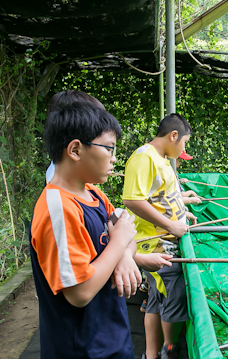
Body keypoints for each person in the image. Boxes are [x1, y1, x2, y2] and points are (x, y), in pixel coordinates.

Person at [30, 102, 139, 357]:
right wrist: (119, 243)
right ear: (76, 150)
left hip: (113, 338)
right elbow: (80, 292)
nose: (114, 158)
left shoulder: (94, 193)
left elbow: (127, 230)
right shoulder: (57, 209)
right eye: (109, 149)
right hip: (81, 348)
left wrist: (124, 253)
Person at [123, 113, 197, 359]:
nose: (184, 148)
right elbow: (132, 200)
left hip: (164, 245)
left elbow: (164, 199)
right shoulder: (144, 157)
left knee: (155, 302)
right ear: (173, 135)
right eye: (184, 142)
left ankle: (152, 354)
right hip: (158, 248)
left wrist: (183, 213)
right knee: (172, 300)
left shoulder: (162, 160)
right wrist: (172, 226)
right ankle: (169, 350)